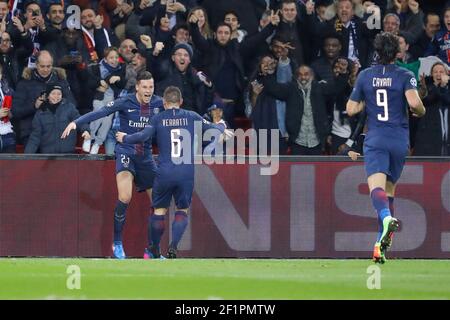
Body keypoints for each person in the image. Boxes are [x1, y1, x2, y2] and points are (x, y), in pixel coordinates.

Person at [115, 86, 231, 259]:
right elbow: (213, 129)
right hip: (186, 172)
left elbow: (142, 136)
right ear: (181, 102)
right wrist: (221, 127)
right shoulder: (191, 116)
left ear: (164, 102)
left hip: (165, 172)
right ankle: (173, 246)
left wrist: (124, 138)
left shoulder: (158, 118)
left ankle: (153, 249)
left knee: (159, 211)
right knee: (182, 210)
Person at [61, 71, 163, 259]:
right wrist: (76, 122)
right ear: (138, 87)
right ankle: (117, 245)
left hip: (146, 157)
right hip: (126, 152)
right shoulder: (125, 101)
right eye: (145, 87)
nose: (149, 90)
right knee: (125, 197)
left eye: (151, 87)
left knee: (159, 204)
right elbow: (101, 112)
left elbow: (181, 115)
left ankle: (153, 250)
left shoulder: (159, 103)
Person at [346, 32, 426, 264]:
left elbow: (351, 109)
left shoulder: (365, 76)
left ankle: (386, 218)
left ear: (377, 52)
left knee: (376, 189)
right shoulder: (405, 74)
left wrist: (364, 101)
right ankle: (381, 246)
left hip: (376, 138)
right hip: (400, 139)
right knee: (389, 189)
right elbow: (414, 104)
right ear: (397, 53)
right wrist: (421, 111)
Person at [24, 83, 90, 154]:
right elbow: (35, 137)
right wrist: (27, 156)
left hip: (68, 155)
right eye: (53, 93)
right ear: (48, 96)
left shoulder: (69, 107)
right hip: (48, 156)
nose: (56, 96)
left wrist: (85, 130)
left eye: (59, 94)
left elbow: (79, 120)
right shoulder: (40, 113)